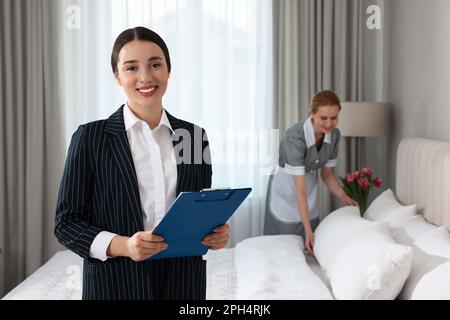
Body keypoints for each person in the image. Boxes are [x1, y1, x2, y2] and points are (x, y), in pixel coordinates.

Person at [54, 26, 229, 300]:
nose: (145, 77)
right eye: (132, 68)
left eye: (155, 64)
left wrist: (215, 233)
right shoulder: (90, 138)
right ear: (117, 76)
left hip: (183, 283)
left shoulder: (194, 137)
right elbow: (66, 223)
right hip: (115, 285)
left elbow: (198, 208)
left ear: (168, 70)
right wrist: (124, 245)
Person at [264, 90, 358, 255]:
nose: (329, 123)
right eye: (323, 118)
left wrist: (345, 197)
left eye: (334, 117)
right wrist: (308, 231)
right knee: (284, 248)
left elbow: (327, 174)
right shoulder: (294, 137)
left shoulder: (334, 136)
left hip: (308, 186)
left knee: (308, 247)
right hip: (286, 187)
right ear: (312, 114)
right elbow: (299, 190)